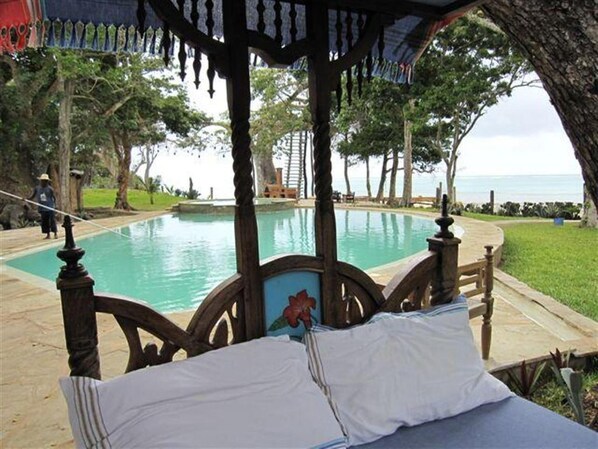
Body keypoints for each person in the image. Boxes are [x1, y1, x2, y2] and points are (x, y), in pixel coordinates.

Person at [28, 173, 58, 239]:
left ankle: (55, 233)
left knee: (52, 221)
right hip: (42, 208)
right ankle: (48, 234)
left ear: (47, 181)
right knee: (44, 222)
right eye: (42, 181)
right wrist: (27, 199)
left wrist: (55, 206)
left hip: (50, 208)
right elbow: (33, 196)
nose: (44, 182)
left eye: (45, 181)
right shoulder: (37, 188)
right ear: (40, 181)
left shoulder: (50, 189)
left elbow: (54, 198)